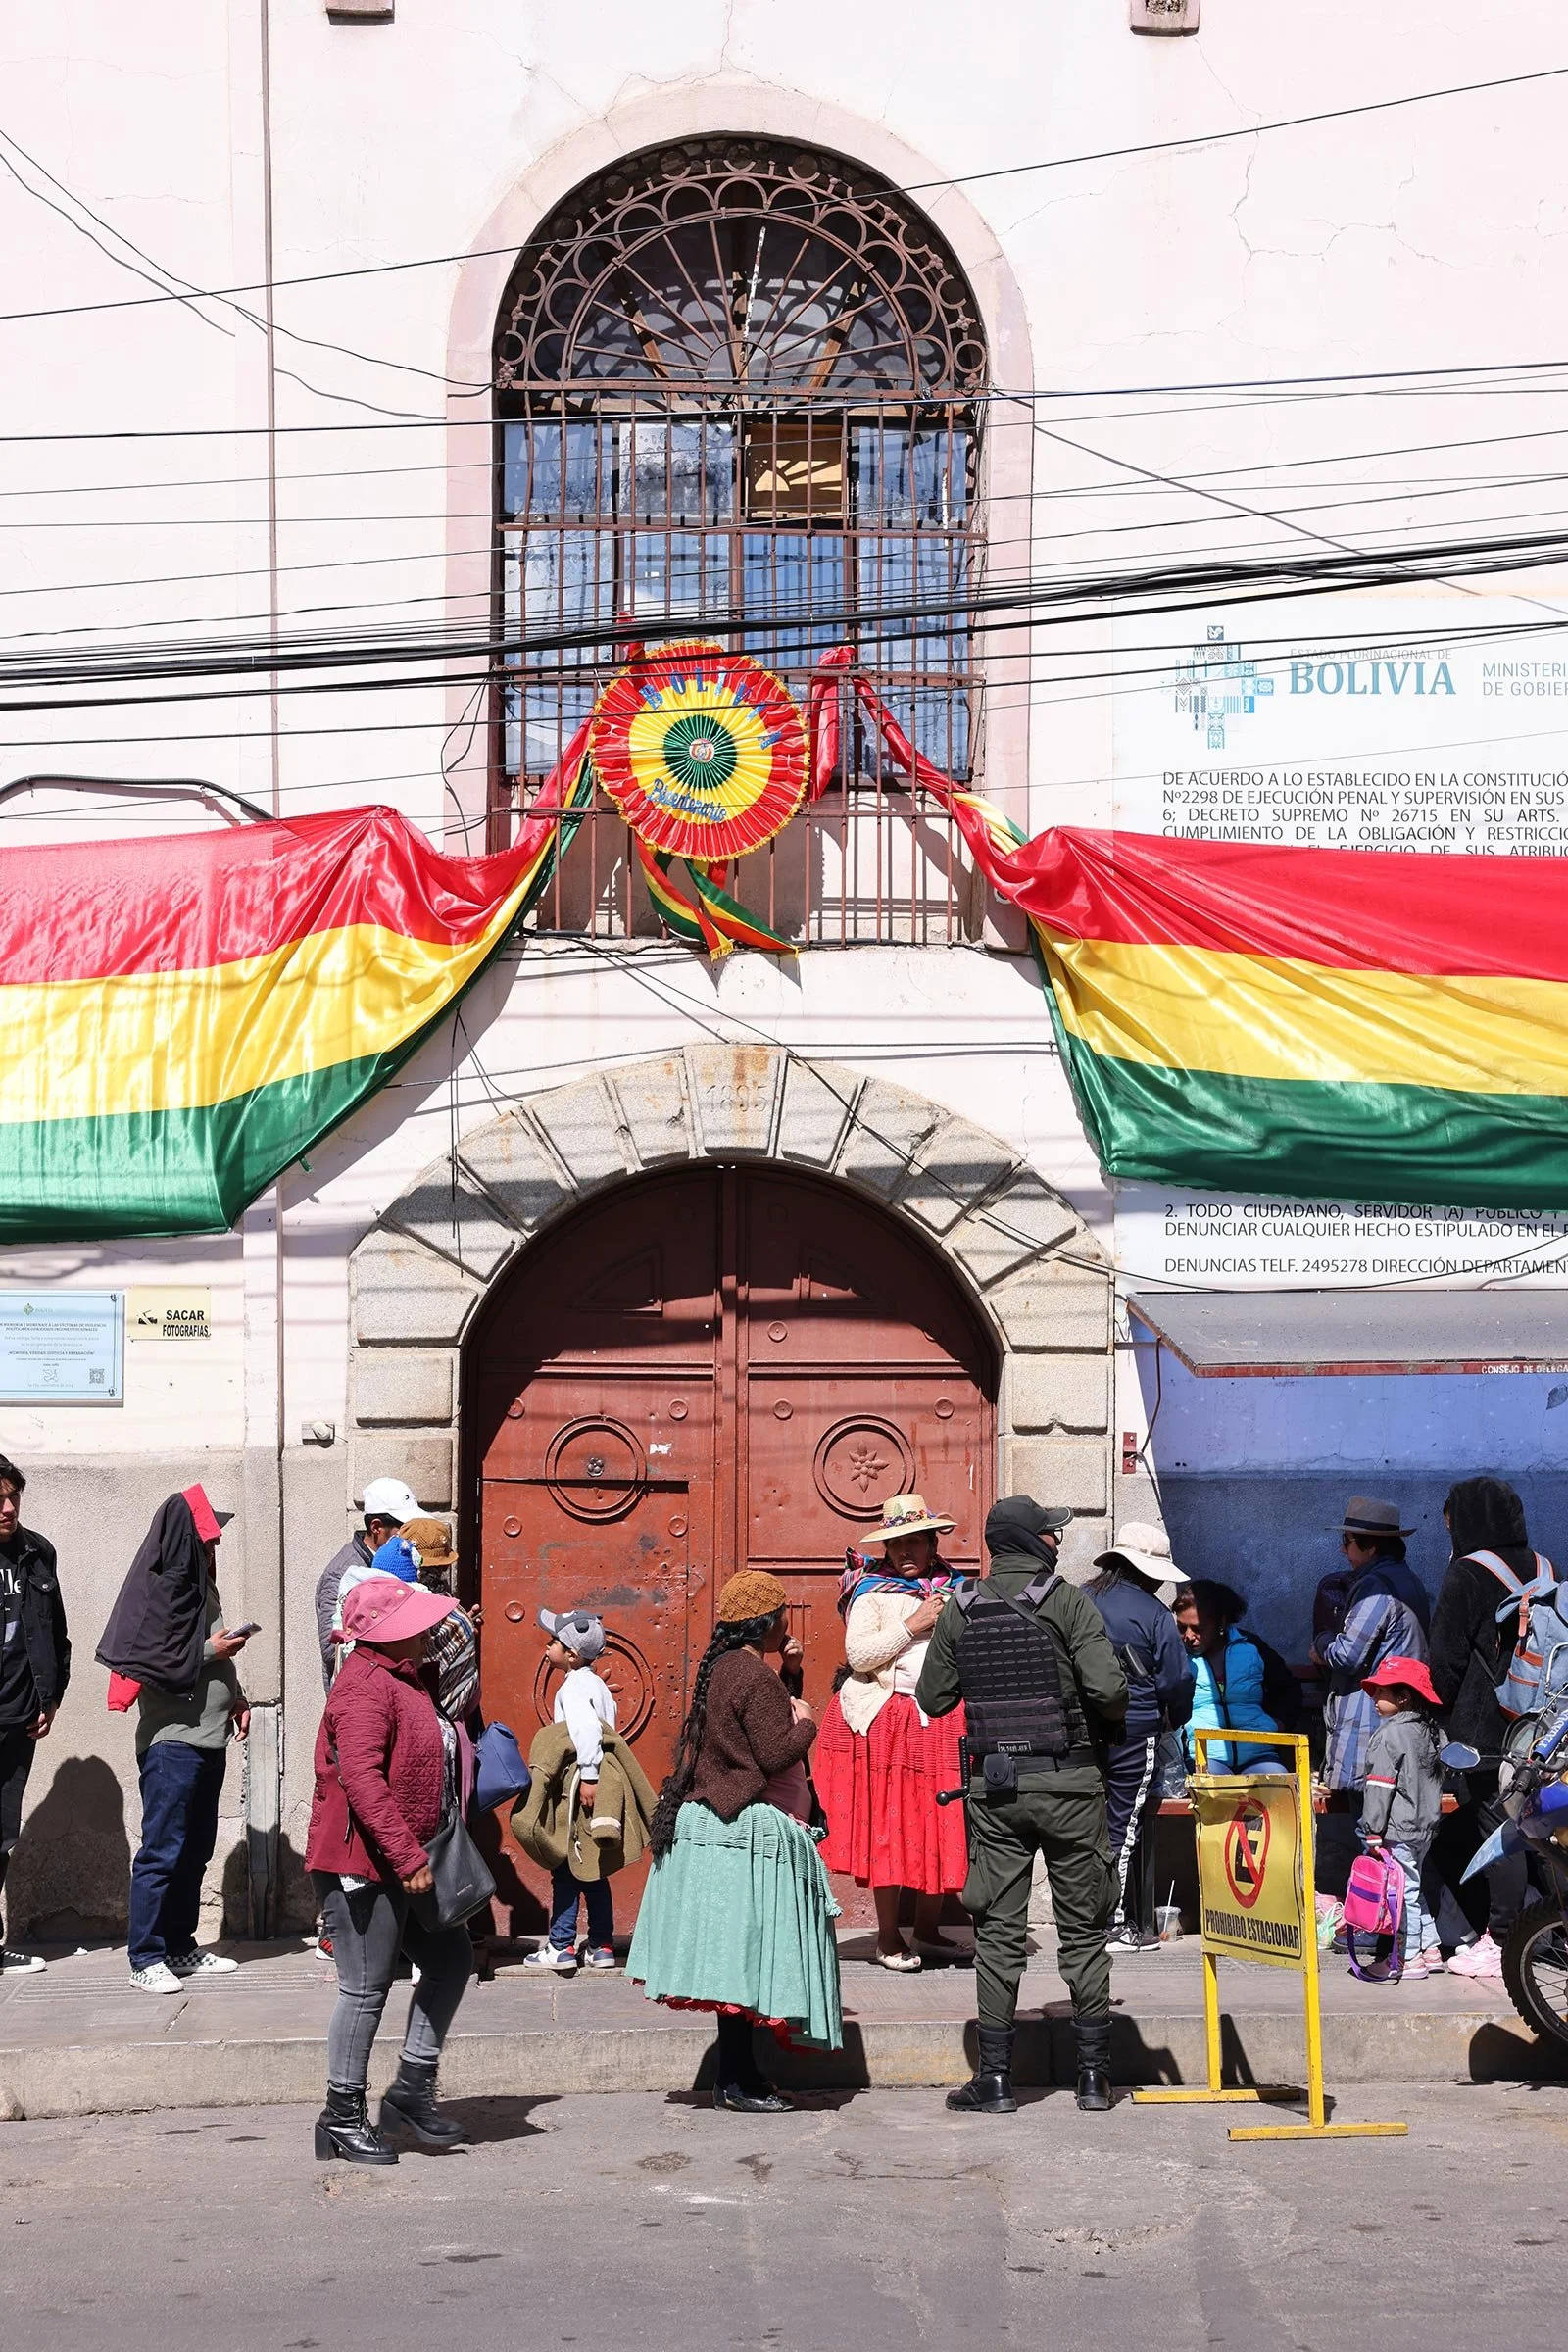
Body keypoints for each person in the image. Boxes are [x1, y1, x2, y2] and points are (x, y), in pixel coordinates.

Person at [915, 1495, 1128, 2117]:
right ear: (1032, 1541)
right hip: (1071, 1788)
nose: (1057, 1542)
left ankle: (995, 2080)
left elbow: (932, 1698)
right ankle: (1094, 2079)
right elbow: (1109, 1691)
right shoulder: (1068, 1602)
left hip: (997, 1793)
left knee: (998, 1933)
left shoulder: (960, 1606)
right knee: (1083, 1928)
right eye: (1051, 1534)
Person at [628, 1571, 842, 2113]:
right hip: (741, 1832)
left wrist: (788, 1676)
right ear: (767, 1622)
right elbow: (772, 1753)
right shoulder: (753, 1675)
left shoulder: (724, 1667)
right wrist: (808, 1721)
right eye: (782, 1616)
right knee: (745, 1959)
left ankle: (740, 2076)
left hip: (716, 1825)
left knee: (735, 1961)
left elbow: (750, 1732)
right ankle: (736, 2082)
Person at [307, 1573, 474, 2165]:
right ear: (387, 1633)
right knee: (365, 1987)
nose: (427, 1631)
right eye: (417, 1623)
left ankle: (410, 2090)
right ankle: (341, 2116)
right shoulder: (362, 1687)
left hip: (410, 1859)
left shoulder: (406, 1676)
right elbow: (362, 1779)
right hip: (363, 1862)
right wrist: (406, 1856)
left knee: (451, 1960)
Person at [98, 1488, 252, 1994]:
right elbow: (152, 1660)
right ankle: (145, 1957)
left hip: (208, 1738)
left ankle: (180, 1946)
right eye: (209, 1535)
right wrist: (210, 1650)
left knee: (194, 1850)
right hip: (172, 1743)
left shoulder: (202, 1587)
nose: (217, 1542)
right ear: (189, 1537)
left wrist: (237, 1698)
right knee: (162, 1852)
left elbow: (210, 1655)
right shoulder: (161, 1594)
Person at [814, 1493, 970, 1969]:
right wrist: (914, 1623)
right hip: (889, 1723)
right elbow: (860, 1656)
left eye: (915, 1542)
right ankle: (887, 1937)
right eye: (897, 1543)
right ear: (886, 1547)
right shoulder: (872, 1593)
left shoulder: (956, 1590)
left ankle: (927, 1930)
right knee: (890, 1825)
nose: (906, 1552)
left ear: (932, 1543)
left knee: (937, 1822)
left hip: (940, 1720)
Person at [1428, 1476, 1543, 1979]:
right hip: (1541, 1724)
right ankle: (1547, 1926)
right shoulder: (1545, 1566)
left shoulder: (1467, 1573)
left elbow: (1445, 1661)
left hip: (1486, 1728)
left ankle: (1503, 1940)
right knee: (1540, 1829)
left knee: (1499, 1828)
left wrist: (1443, 1714)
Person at [1086, 1522, 1194, 1954]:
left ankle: (1082, 1920)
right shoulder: (1154, 1614)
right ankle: (1112, 1925)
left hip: (1079, 1733)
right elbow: (1177, 1680)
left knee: (1083, 1825)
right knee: (1122, 1826)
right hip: (1134, 1731)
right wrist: (1173, 1719)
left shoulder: (1080, 1598)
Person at [0, 1455, 69, 1974]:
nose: (7, 1508)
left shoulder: (38, 1552)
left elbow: (56, 1635)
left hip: (19, 1715)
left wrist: (51, 1699)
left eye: (13, 1497)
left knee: (2, 1837)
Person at [523, 1608, 619, 1974]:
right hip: (595, 1778)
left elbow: (587, 1731)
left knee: (565, 1865)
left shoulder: (574, 1687)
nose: (547, 1647)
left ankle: (561, 1946)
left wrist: (589, 1775)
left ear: (573, 1655)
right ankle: (601, 1945)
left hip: (579, 1782)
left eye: (553, 1642)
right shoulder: (595, 1684)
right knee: (593, 1866)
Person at [1314, 1501, 1429, 1796]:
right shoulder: (1409, 1579)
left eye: (1347, 1541)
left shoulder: (1376, 1586)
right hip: (1399, 1721)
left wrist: (1322, 1642)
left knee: (1370, 1815)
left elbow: (1347, 1655)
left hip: (1371, 1727)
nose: (1343, 1550)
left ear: (1371, 1546)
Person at [1356, 1655, 1445, 1981]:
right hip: (1425, 1828)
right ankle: (1430, 1949)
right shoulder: (1433, 1732)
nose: (1374, 1698)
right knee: (1413, 1887)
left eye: (1381, 1691)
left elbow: (1379, 1788)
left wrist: (1372, 1831)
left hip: (1397, 1829)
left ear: (1404, 1697)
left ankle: (1406, 1959)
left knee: (1401, 1893)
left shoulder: (1388, 1735)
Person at [1176, 1581, 1298, 1774]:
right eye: (1182, 1628)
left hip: (1258, 1753)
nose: (1188, 1636)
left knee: (1277, 1782)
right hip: (1204, 1756)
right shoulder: (1178, 1656)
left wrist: (1279, 1722)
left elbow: (1287, 1688)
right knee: (1211, 1785)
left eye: (1198, 1628)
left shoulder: (1250, 1647)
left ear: (1221, 1623)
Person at [314, 1477, 418, 1694]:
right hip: (360, 1696)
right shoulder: (341, 1573)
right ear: (377, 1527)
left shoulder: (403, 1559)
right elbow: (332, 1650)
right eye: (403, 1530)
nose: (409, 1539)